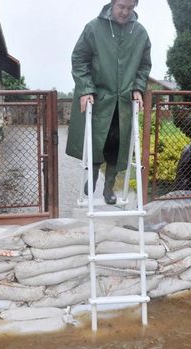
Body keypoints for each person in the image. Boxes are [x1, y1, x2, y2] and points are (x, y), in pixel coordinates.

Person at [65, 0, 152, 204]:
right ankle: (93, 176)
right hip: (99, 98)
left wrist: (138, 88)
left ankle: (109, 187)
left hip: (123, 101)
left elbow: (144, 65)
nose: (125, 12)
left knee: (116, 143)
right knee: (96, 140)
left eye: (130, 8)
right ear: (112, 3)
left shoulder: (139, 33)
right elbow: (79, 59)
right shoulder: (93, 28)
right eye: (121, 6)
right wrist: (86, 89)